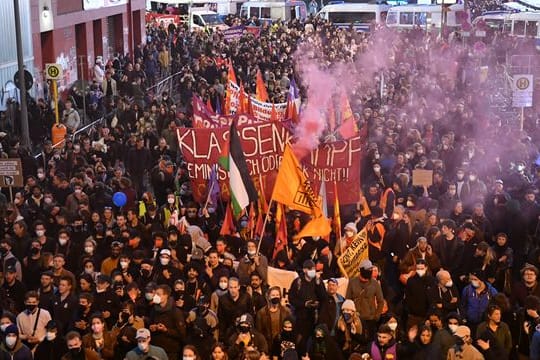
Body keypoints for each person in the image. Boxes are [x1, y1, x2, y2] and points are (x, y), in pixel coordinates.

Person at [288, 259, 327, 355]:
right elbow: (291, 299)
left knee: (314, 341)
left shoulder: (318, 281)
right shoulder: (297, 282)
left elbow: (323, 297)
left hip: (315, 317)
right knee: (301, 341)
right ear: (305, 270)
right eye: (310, 268)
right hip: (301, 317)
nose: (312, 270)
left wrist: (318, 284)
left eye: (314, 268)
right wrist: (304, 304)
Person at [345, 259, 384, 340]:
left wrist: (376, 316)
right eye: (368, 269)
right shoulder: (352, 282)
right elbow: (348, 300)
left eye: (371, 269)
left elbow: (380, 301)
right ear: (361, 270)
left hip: (371, 319)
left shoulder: (375, 283)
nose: (370, 271)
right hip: (356, 319)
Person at [148, 284, 186, 360]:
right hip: (156, 350)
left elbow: (182, 334)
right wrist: (151, 328)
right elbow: (150, 324)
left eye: (158, 294)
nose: (155, 296)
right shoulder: (154, 310)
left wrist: (166, 330)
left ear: (166, 296)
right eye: (155, 294)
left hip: (170, 351)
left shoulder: (175, 312)